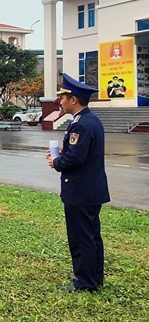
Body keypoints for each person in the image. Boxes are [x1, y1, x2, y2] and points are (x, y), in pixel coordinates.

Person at [46, 73, 109, 293]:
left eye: (63, 97)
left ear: (73, 99)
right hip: (90, 189)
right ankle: (94, 277)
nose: (60, 101)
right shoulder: (90, 120)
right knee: (92, 235)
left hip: (81, 191)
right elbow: (82, 152)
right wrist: (65, 154)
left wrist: (57, 161)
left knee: (81, 237)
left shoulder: (81, 124)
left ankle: (85, 282)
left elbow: (75, 159)